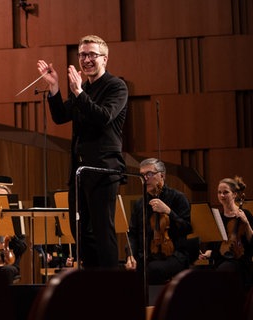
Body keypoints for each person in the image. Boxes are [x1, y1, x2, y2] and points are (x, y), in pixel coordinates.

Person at [37, 35, 128, 268]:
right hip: (79, 172)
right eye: (82, 55)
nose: (86, 59)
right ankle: (92, 283)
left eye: (92, 54)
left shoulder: (116, 86)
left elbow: (103, 117)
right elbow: (60, 117)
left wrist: (78, 93)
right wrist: (55, 87)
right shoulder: (83, 88)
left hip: (103, 170)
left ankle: (109, 288)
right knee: (79, 231)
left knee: (101, 230)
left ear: (104, 59)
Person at [125, 158, 193, 285]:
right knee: (124, 272)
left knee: (151, 270)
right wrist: (130, 255)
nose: (145, 179)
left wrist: (168, 211)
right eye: (142, 175)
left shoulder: (178, 198)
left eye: (149, 174)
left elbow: (187, 228)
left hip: (174, 255)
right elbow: (132, 234)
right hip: (147, 257)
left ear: (162, 175)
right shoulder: (140, 203)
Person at [198, 176, 253, 289]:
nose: (222, 195)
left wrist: (246, 223)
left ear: (234, 194)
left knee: (222, 272)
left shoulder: (245, 214)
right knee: (195, 272)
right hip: (220, 259)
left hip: (239, 261)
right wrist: (207, 253)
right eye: (219, 192)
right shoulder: (217, 217)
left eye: (225, 192)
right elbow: (213, 246)